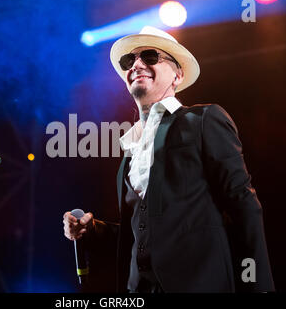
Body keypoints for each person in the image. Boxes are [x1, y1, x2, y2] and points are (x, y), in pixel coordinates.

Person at [63, 26, 275, 293]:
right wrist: (92, 230)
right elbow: (145, 232)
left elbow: (243, 205)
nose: (137, 64)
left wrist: (259, 287)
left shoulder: (202, 120)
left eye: (150, 56)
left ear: (178, 75)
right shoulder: (130, 151)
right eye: (130, 61)